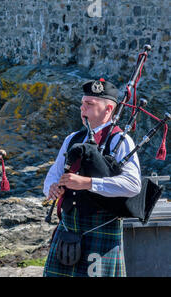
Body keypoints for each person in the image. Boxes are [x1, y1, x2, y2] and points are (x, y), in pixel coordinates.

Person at [42, 78, 141, 277]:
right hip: (68, 227)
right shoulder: (72, 138)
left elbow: (133, 184)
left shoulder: (120, 140)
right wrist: (51, 188)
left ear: (108, 109)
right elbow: (54, 173)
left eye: (89, 104)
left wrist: (87, 184)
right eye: (82, 104)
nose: (82, 109)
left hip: (101, 227)